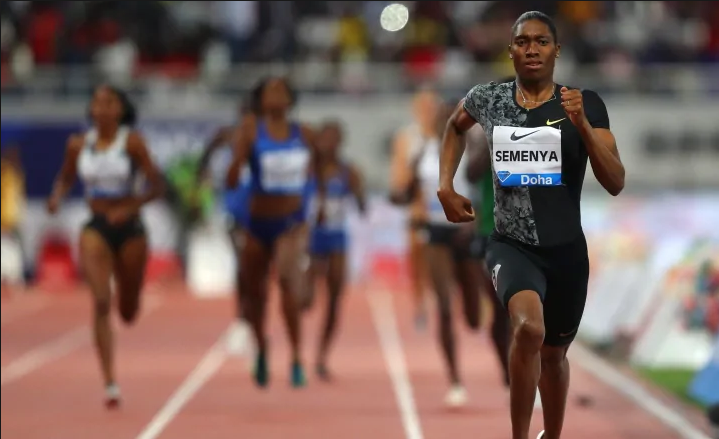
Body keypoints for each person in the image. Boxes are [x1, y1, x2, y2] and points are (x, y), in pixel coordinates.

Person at [437, 11, 625, 439]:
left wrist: (583, 127)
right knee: (527, 329)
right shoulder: (489, 99)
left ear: (556, 50)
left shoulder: (585, 103)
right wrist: (445, 185)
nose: (532, 49)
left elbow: (615, 181)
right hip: (511, 245)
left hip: (567, 253)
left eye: (541, 41)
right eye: (523, 42)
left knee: (554, 355)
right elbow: (453, 127)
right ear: (511, 51)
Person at [47, 85, 165, 408]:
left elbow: (158, 186)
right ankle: (110, 382)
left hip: (130, 229)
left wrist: (130, 207)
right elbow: (66, 177)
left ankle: (131, 297)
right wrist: (57, 196)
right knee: (100, 301)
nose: (101, 107)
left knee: (127, 310)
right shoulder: (78, 144)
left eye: (108, 102)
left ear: (120, 109)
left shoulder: (133, 143)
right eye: (96, 102)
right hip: (96, 226)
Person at [226, 76, 322, 389]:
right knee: (255, 294)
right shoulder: (252, 130)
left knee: (287, 281)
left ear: (291, 99)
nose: (276, 96)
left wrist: (317, 201)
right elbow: (230, 178)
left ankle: (296, 355)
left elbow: (320, 166)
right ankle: (261, 347)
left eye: (281, 91)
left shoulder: (303, 133)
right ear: (260, 100)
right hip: (257, 223)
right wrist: (239, 154)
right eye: (270, 91)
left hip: (290, 223)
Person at [302, 120, 366, 381]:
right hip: (312, 238)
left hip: (337, 237)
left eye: (334, 138)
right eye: (325, 138)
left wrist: (358, 189)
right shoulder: (308, 169)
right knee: (304, 299)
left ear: (340, 142)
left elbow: (362, 209)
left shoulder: (346, 171)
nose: (328, 144)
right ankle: (297, 346)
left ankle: (321, 356)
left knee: (334, 299)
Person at [197, 100, 254, 356]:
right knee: (242, 263)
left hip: (261, 207)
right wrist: (203, 177)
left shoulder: (266, 137)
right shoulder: (228, 134)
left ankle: (251, 317)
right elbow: (207, 153)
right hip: (235, 206)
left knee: (255, 266)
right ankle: (243, 319)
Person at [389, 87, 442, 330]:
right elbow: (399, 175)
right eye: (424, 107)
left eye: (432, 107)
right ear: (415, 110)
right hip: (419, 210)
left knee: (445, 262)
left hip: (445, 210)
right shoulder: (406, 138)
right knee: (418, 260)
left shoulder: (448, 134)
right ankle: (420, 304)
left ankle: (444, 302)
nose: (428, 112)